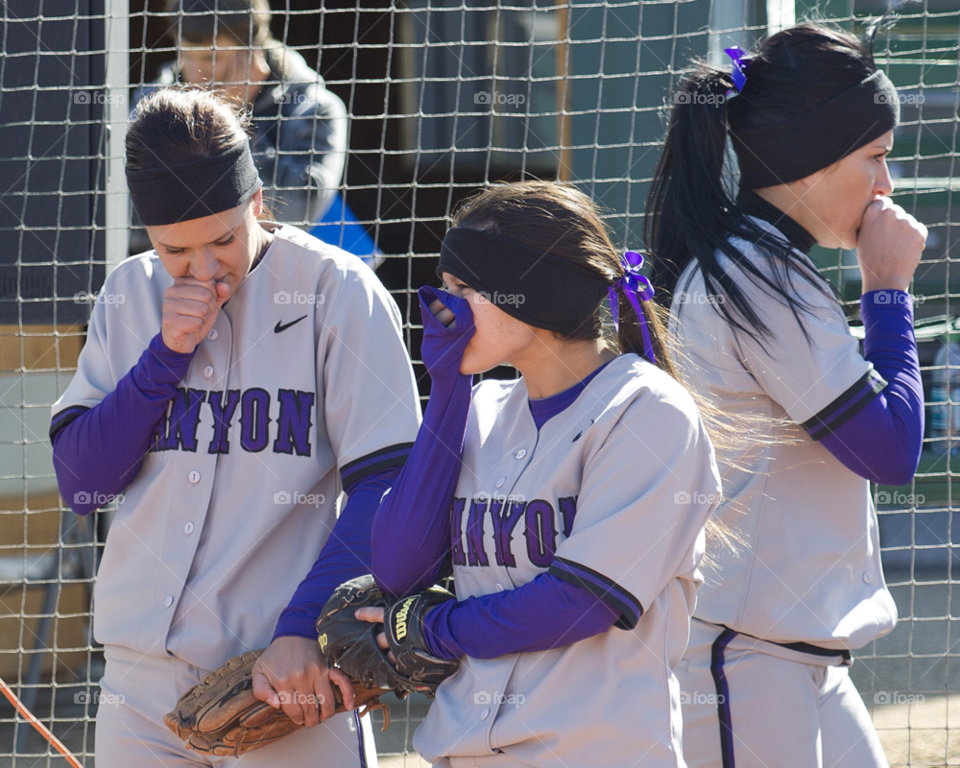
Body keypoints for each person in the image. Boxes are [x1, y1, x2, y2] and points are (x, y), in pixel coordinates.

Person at [49, 87, 420, 766]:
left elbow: (389, 485)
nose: (204, 268)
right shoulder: (129, 295)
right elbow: (82, 485)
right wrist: (163, 358)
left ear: (256, 202)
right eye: (176, 251)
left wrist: (306, 629)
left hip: (285, 674)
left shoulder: (337, 290)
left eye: (223, 239)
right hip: (141, 685)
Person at [358, 180, 726, 767]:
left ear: (530, 293)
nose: (440, 307)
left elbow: (578, 603)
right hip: (465, 751)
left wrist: (435, 628)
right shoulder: (480, 413)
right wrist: (450, 388)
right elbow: (399, 567)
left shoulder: (646, 412)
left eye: (462, 288)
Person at [646, 21, 926, 768]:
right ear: (814, 158)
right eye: (874, 158)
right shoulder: (753, 273)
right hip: (745, 658)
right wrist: (888, 292)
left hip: (789, 655)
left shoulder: (760, 264)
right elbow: (890, 448)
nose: (885, 185)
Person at [129, 0, 365, 258]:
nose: (196, 72)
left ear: (253, 51)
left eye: (210, 58)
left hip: (280, 276)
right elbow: (130, 221)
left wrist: (231, 121)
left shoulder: (314, 108)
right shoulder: (149, 106)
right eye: (185, 55)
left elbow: (295, 214)